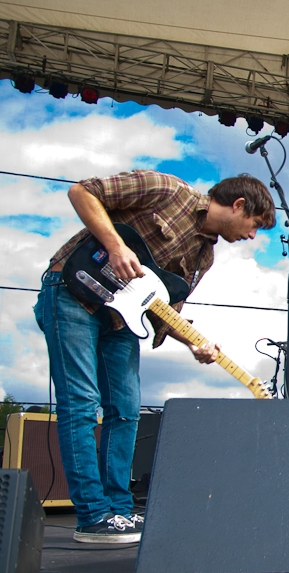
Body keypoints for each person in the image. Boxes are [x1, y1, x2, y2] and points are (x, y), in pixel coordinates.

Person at [34, 170, 275, 543]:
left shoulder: (203, 257)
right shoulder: (168, 189)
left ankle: (117, 510)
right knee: (82, 405)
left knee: (126, 410)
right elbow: (82, 191)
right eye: (254, 224)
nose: (251, 236)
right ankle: (92, 516)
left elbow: (163, 309)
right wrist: (115, 246)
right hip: (72, 291)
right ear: (238, 205)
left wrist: (195, 342)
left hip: (119, 321)